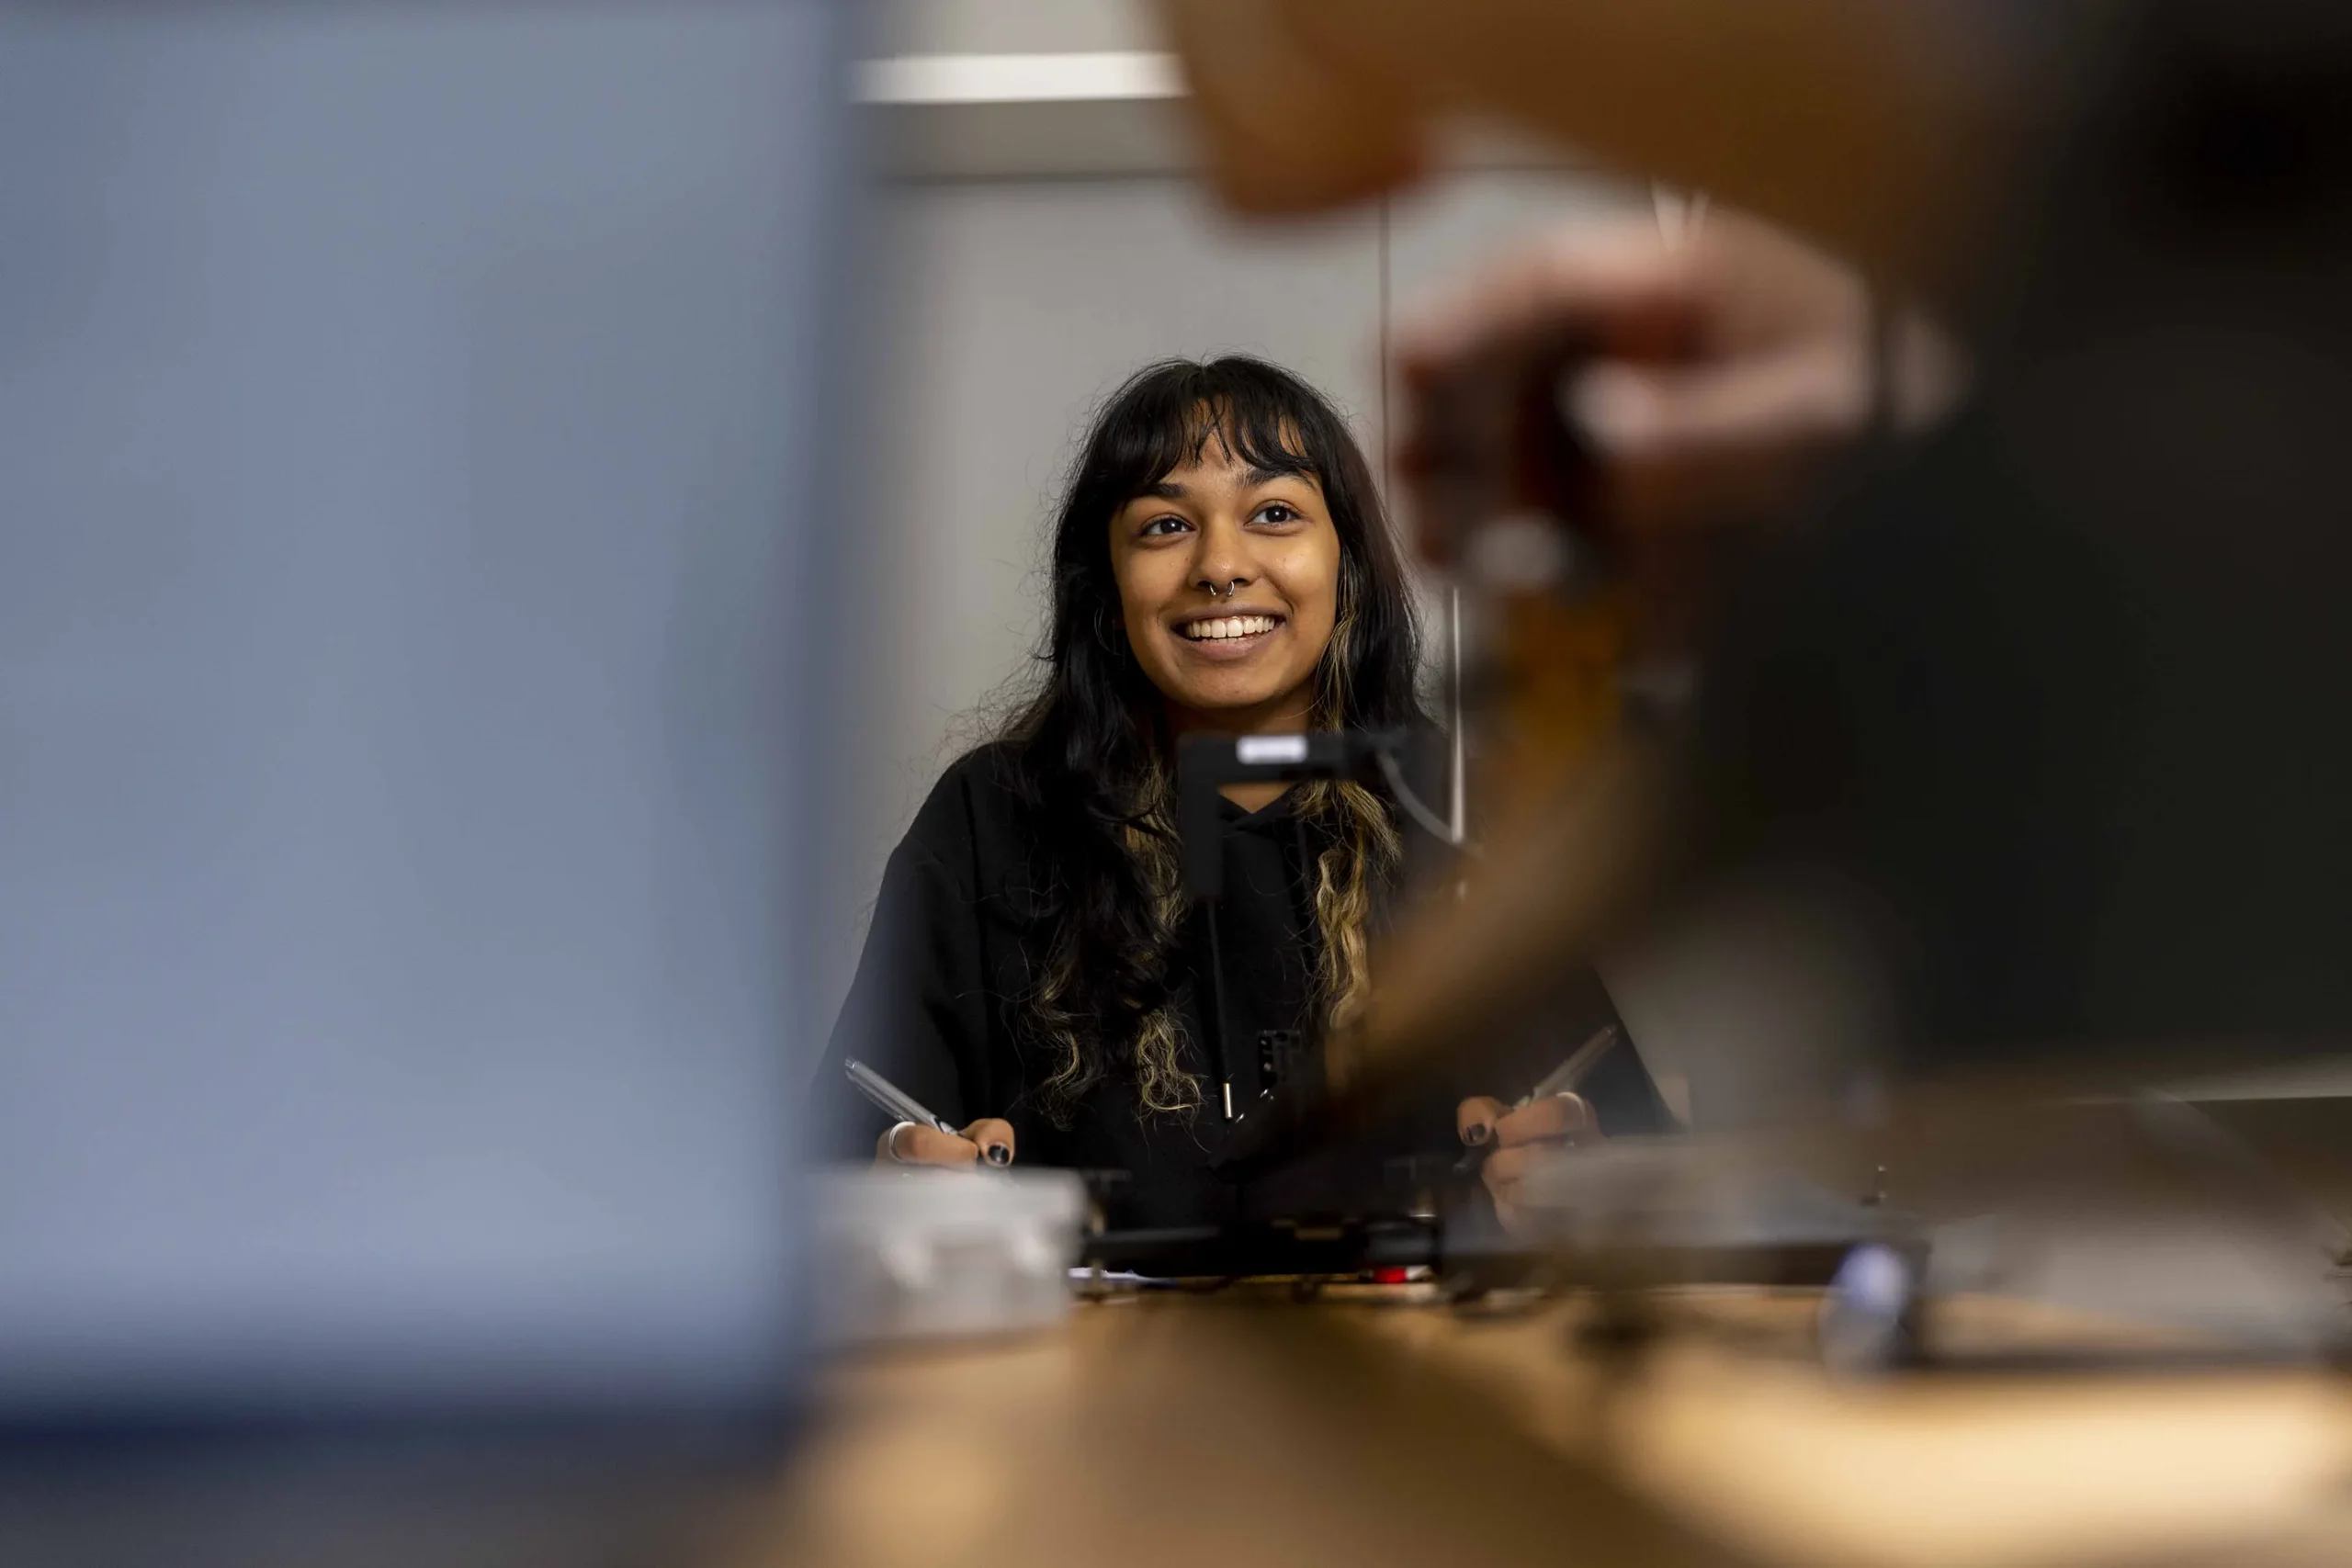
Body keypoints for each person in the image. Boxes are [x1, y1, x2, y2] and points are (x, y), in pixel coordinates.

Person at [814, 356, 1674, 1227]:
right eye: (1162, 526)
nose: (1220, 565)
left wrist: (1584, 1171)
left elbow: (1646, 1170)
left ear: (1350, 565)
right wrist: (892, 1176)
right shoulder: (991, 818)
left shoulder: (1459, 809)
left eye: (1274, 514)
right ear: (1107, 590)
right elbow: (834, 1166)